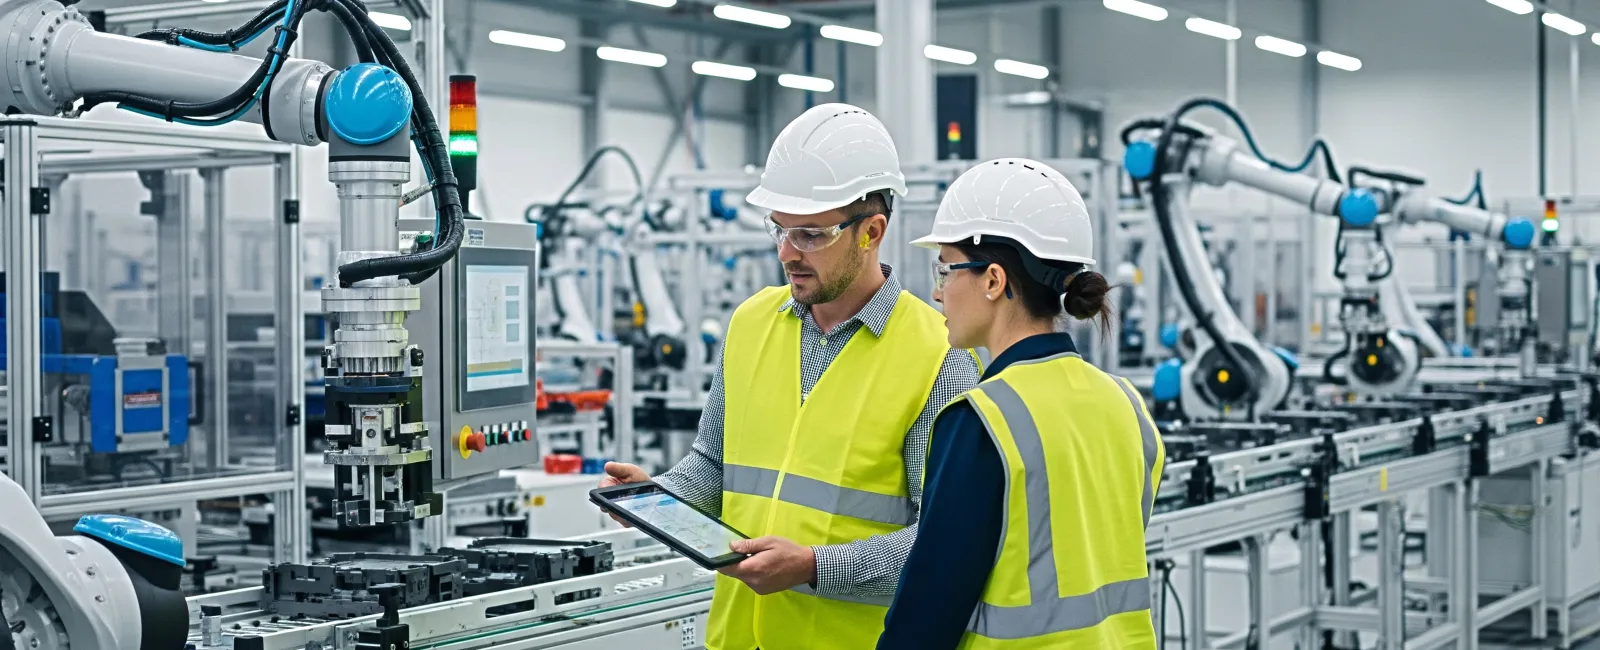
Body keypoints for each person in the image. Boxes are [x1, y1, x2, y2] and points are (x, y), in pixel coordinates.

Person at [598, 103, 980, 650]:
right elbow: (714, 461)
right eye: (778, 230)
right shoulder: (751, 323)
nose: (786, 253)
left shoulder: (939, 355)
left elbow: (945, 538)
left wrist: (813, 567)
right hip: (738, 638)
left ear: (872, 231)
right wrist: (658, 499)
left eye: (811, 235)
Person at [877, 158, 1166, 649]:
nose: (937, 291)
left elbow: (929, 611)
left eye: (945, 270)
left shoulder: (983, 421)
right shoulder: (1126, 405)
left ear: (993, 280)